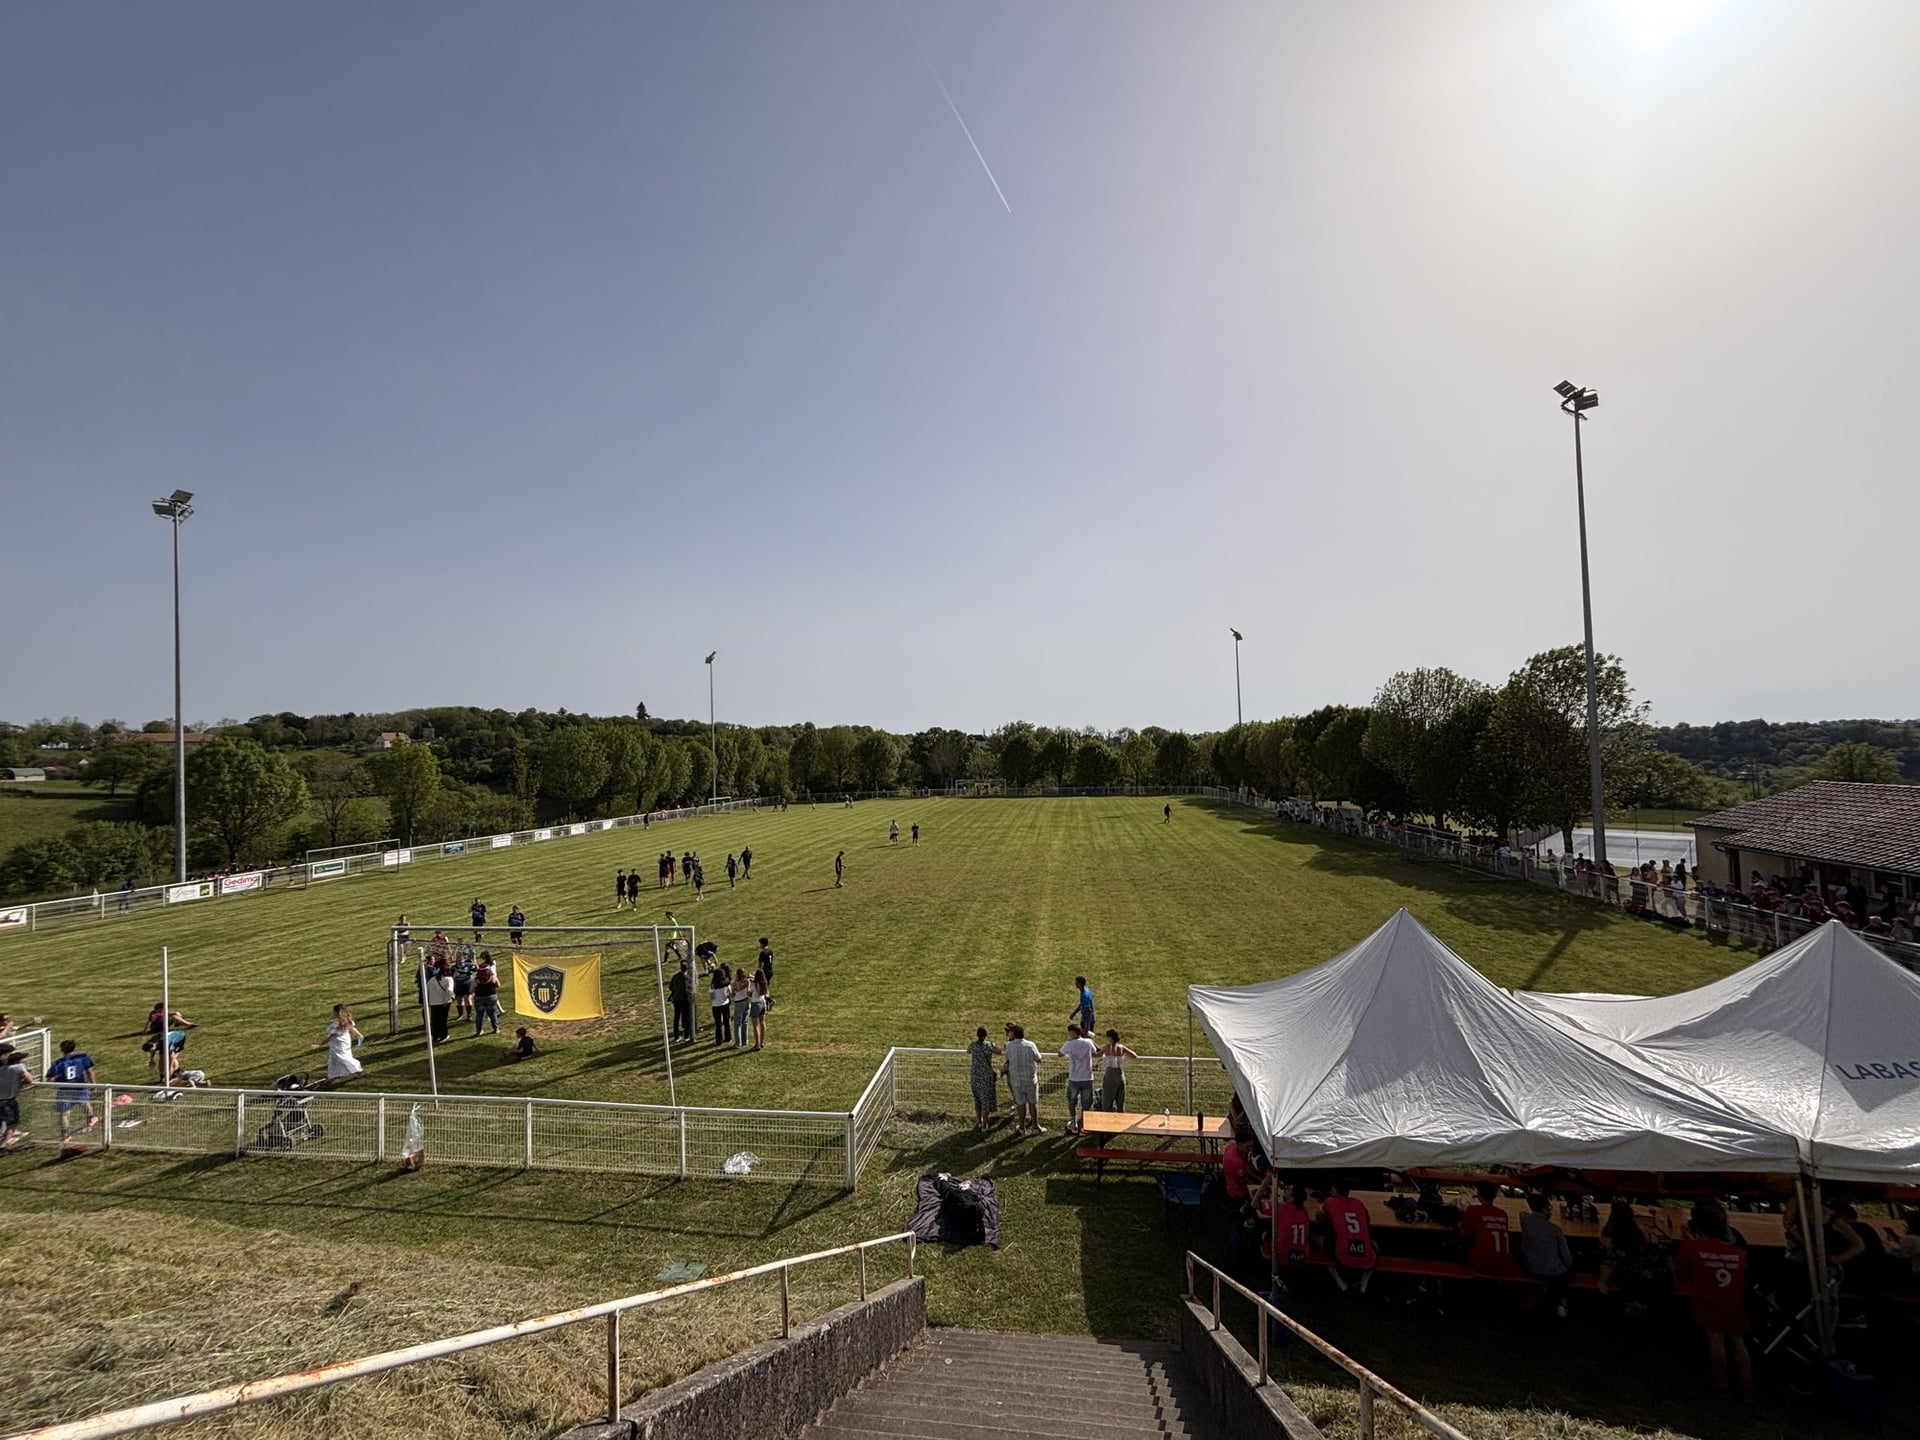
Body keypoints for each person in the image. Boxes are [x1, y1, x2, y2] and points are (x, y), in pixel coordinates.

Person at [1674, 1201, 1753, 1403]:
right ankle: (1746, 1388)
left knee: (1715, 1339)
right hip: (1734, 1300)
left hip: (1708, 1300)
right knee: (1737, 1340)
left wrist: (1690, 1242)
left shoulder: (1692, 1248)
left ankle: (1722, 1385)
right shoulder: (1739, 1253)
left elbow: (1682, 1270)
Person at [1519, 1193, 1577, 1317]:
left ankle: (1542, 1292)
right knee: (1570, 1270)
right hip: (1552, 1272)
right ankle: (1562, 1301)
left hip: (1531, 1268)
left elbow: (1522, 1216)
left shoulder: (1526, 1223)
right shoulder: (1554, 1230)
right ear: (1545, 1209)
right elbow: (1567, 1258)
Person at [1320, 1183, 1378, 1294]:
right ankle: (1363, 1284)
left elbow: (1319, 1217)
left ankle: (1339, 1281)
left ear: (1334, 1190)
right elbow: (1368, 1221)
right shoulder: (1358, 1202)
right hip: (1365, 1255)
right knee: (1374, 1243)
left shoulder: (1331, 1202)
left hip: (1343, 1255)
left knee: (1319, 1240)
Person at [1459, 1183, 1523, 1276]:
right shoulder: (1502, 1213)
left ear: (1479, 1195)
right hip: (1505, 1263)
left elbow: (1464, 1234)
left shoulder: (1473, 1210)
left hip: (1482, 1262)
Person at [46, 1039, 97, 1141]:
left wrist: (59, 1078)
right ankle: (90, 1122)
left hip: (65, 1090)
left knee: (65, 1113)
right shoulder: (82, 1058)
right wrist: (93, 1084)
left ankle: (65, 1135)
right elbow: (89, 1072)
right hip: (80, 1086)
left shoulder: (58, 1063)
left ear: (61, 1050)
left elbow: (50, 1079)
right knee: (86, 1104)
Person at [1004, 1023, 1043, 1134]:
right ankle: (1035, 1127)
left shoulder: (1009, 1046)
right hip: (1030, 1079)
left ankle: (1021, 1127)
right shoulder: (1030, 1045)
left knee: (1020, 1104)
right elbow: (1038, 1058)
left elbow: (1008, 1058)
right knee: (1033, 1103)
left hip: (1016, 1080)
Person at [1059, 1024, 1097, 1134]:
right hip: (1087, 1078)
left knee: (1071, 1101)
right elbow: (1095, 1052)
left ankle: (1073, 1122)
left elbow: (1060, 1054)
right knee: (1086, 1103)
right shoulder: (1088, 1042)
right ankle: (1083, 1125)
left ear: (1073, 1032)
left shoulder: (1069, 1044)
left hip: (1074, 1079)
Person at [316, 1005, 364, 1082]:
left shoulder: (337, 1024)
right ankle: (331, 1076)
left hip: (339, 1043)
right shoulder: (347, 1020)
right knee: (334, 1059)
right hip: (344, 1041)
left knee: (344, 1058)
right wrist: (359, 1035)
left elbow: (331, 1037)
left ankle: (358, 1069)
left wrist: (320, 1044)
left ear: (336, 1012)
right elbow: (352, 1028)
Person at [966, 1026, 1001, 1131]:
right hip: (986, 1076)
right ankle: (985, 1124)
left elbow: (968, 1051)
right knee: (985, 1101)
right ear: (986, 1035)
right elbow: (999, 1051)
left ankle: (979, 1121)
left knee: (977, 1100)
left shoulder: (973, 1046)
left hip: (975, 1076)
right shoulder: (989, 1046)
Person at [1095, 1029, 1137, 1112]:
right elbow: (1134, 1055)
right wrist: (1124, 1058)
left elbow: (1097, 1054)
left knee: (1107, 1100)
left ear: (1110, 1037)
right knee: (1120, 1101)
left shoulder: (1107, 1047)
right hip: (1120, 1075)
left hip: (1110, 1075)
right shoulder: (1121, 1047)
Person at [0, 1044, 33, 1149]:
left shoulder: (2, 1069)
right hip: (8, 1101)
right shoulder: (19, 1067)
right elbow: (30, 1080)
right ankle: (3, 1146)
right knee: (13, 1123)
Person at [423, 963, 453, 1044]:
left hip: (433, 1002)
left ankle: (436, 1036)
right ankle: (444, 1035)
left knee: (435, 1020)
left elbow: (426, 989)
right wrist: (447, 1000)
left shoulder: (432, 979)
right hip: (443, 1003)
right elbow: (450, 991)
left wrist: (428, 1001)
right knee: (442, 1020)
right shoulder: (448, 979)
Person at [472, 954, 503, 1036]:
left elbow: (471, 990)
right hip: (491, 997)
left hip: (479, 998)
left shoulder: (476, 979)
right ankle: (496, 1029)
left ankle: (479, 1031)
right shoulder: (492, 977)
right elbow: (498, 985)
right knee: (492, 1013)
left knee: (479, 1015)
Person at [668, 961, 693, 1042]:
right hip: (684, 1000)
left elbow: (670, 987)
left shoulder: (675, 976)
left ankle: (676, 1036)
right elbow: (688, 990)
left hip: (676, 999)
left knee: (676, 1017)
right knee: (686, 1017)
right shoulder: (686, 978)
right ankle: (686, 1035)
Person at [730, 965, 753, 1049]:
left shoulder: (735, 983)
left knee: (737, 1023)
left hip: (739, 1002)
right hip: (746, 1001)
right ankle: (745, 1041)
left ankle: (738, 1043)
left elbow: (733, 994)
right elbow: (748, 991)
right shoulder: (747, 981)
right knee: (745, 1021)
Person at [709, 964, 733, 1047]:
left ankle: (718, 1040)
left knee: (718, 1024)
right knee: (726, 1022)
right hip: (725, 1004)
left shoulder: (713, 985)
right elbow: (730, 993)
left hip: (716, 1005)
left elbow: (712, 996)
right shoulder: (727, 983)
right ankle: (728, 1037)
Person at [451, 946, 476, 1021]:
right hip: (458, 986)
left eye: (461, 960)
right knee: (459, 1000)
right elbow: (450, 976)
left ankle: (469, 1015)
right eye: (458, 960)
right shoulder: (453, 968)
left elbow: (476, 969)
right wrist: (454, 976)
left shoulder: (468, 965)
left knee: (467, 999)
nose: (460, 961)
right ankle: (460, 1015)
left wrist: (474, 962)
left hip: (467, 985)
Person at [748, 970, 769, 1051]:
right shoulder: (764, 983)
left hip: (755, 1004)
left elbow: (749, 993)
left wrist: (750, 983)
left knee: (756, 1025)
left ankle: (757, 1044)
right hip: (763, 1003)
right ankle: (762, 1042)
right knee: (762, 1023)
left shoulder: (754, 985)